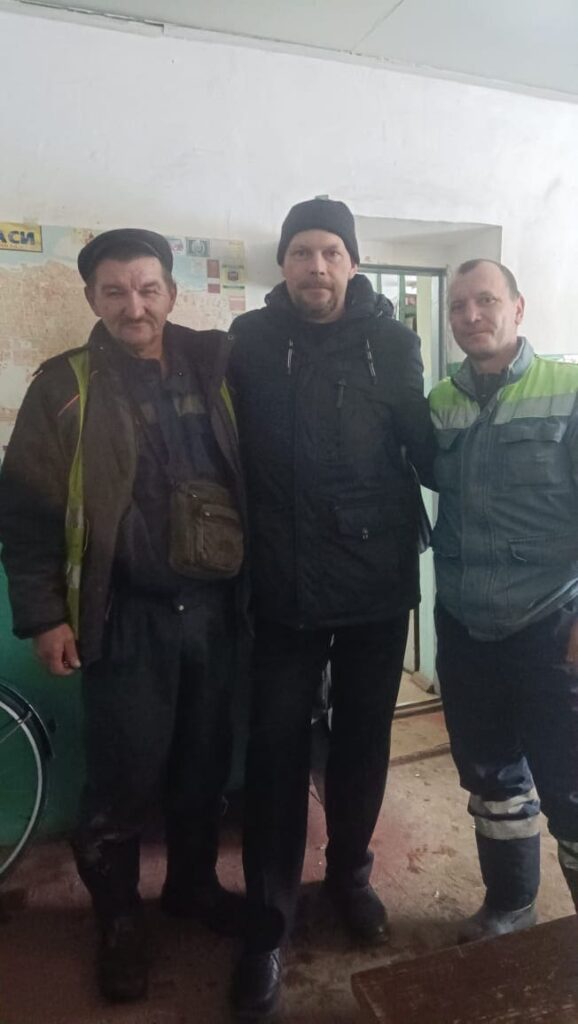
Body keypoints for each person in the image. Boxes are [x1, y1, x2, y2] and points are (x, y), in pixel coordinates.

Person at [0, 229, 246, 1002]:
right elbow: (26, 514)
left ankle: (193, 888)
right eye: (115, 292)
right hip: (126, 618)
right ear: (92, 299)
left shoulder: (218, 366)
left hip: (217, 614)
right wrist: (45, 618)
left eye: (147, 289)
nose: (133, 306)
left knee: (204, 767)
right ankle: (118, 920)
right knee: (123, 781)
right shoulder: (63, 387)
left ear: (171, 291)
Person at [226, 198, 435, 1018]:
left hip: (375, 584)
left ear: (353, 262)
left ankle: (350, 876)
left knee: (361, 743)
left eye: (331, 252)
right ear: (282, 263)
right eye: (301, 252)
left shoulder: (393, 342)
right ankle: (266, 926)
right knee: (275, 753)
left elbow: (426, 446)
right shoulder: (247, 340)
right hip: (280, 587)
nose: (316, 266)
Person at [430, 258, 578, 943]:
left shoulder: (568, 389)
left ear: (517, 308)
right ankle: (511, 906)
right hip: (466, 629)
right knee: (491, 781)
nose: (471, 316)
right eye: (459, 306)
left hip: (553, 625)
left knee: (571, 787)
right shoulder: (440, 402)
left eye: (485, 301)